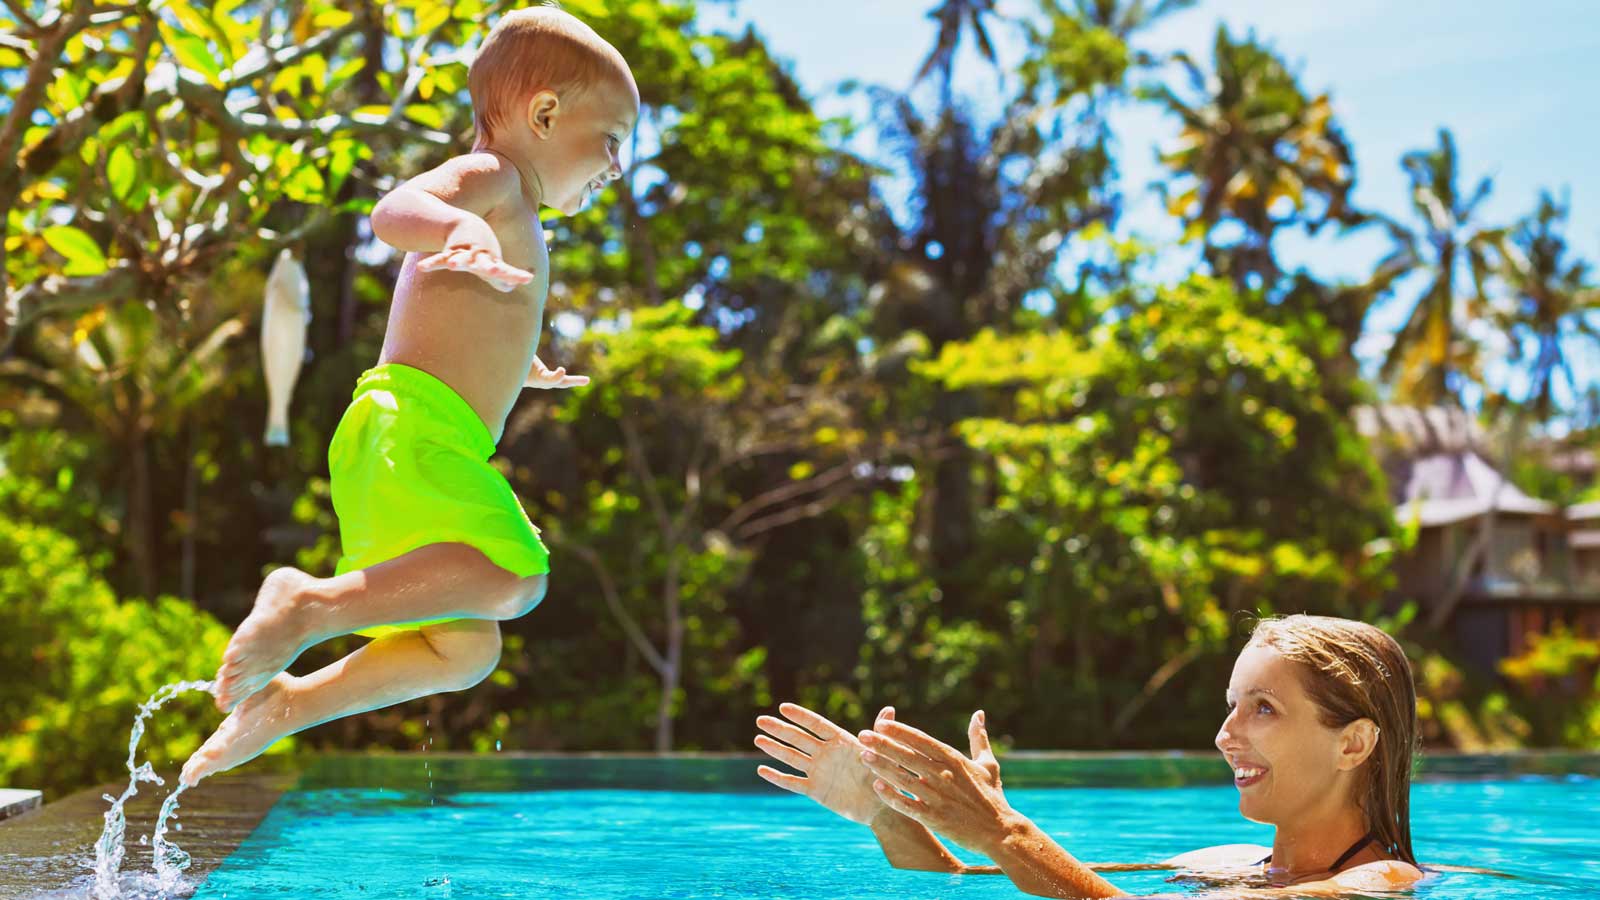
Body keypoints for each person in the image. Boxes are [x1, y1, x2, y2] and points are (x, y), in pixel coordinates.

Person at [180, 6, 640, 787]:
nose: (618, 165)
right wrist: (457, 232)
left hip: (414, 434)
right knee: (517, 575)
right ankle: (309, 607)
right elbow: (393, 212)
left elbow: (464, 327)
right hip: (413, 427)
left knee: (464, 650)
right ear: (544, 112)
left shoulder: (518, 212)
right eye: (614, 139)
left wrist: (521, 364)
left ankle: (287, 705)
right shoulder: (493, 179)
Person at [754, 615, 1427, 898]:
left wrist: (1004, 828)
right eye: (1232, 704)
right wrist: (889, 811)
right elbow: (959, 879)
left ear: (1354, 743)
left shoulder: (1380, 884)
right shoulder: (1218, 868)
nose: (1226, 735)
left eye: (1265, 709)